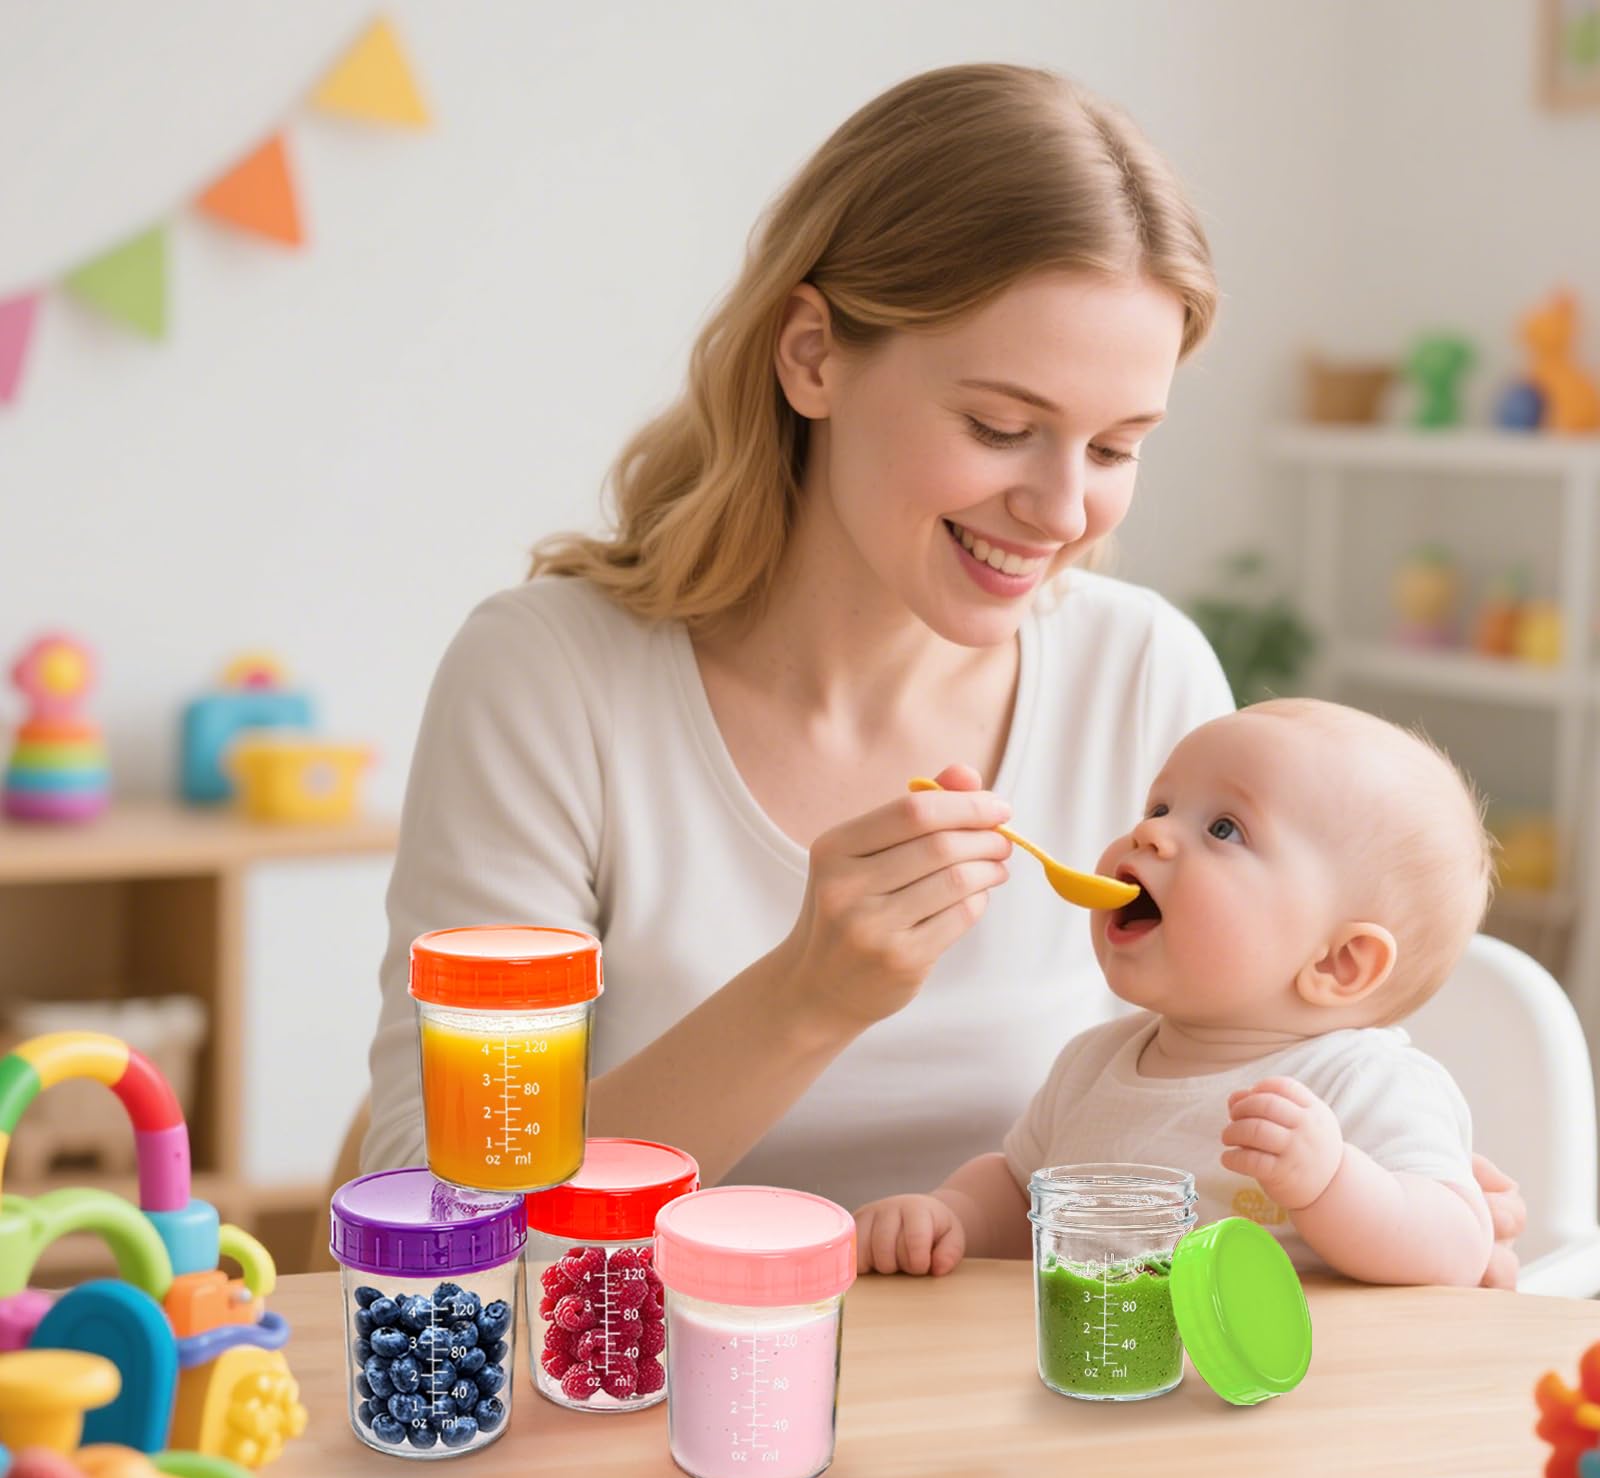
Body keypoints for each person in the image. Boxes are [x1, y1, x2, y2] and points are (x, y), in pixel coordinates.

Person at [361, 64, 1523, 1269]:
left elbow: (1250, 1084)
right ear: (812, 354)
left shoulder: (1142, 677)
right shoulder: (551, 684)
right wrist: (805, 998)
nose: (1063, 507)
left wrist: (1380, 1211)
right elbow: (436, 1218)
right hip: (641, 1403)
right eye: (1000, 428)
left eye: (1117, 445)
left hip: (1045, 1418)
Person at [853, 700, 1523, 1288]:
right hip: (1106, 1375)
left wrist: (1334, 1183)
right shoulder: (1092, 1064)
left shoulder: (1362, 1083)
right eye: (1160, 806)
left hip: (1283, 1407)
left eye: (1223, 829)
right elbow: (1020, 1189)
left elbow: (1460, 1246)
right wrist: (951, 1217)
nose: (1150, 832)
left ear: (1341, 962)